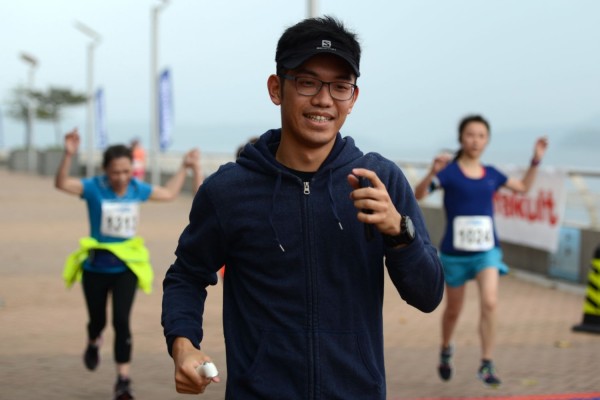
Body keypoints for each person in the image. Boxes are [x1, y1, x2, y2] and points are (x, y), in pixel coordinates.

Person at [161, 15, 444, 399]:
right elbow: (187, 275)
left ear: (353, 99)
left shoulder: (379, 181)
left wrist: (399, 232)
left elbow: (428, 296)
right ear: (276, 88)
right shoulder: (229, 190)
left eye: (340, 86)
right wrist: (183, 344)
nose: (324, 99)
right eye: (307, 82)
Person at [55, 128, 202, 400]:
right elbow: (62, 183)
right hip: (95, 269)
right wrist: (68, 154)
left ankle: (123, 380)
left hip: (126, 268)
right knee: (98, 321)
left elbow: (169, 193)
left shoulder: (137, 188)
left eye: (126, 171)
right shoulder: (94, 187)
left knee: (121, 321)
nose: (122, 177)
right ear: (106, 171)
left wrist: (185, 167)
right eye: (115, 172)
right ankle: (93, 340)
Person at [414, 115, 548, 387]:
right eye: (470, 135)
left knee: (490, 302)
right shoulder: (449, 173)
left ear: (487, 141)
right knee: (454, 309)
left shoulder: (492, 174)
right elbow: (419, 195)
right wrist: (431, 171)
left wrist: (535, 160)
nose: (475, 140)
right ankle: (446, 348)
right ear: (461, 138)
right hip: (455, 254)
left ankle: (486, 362)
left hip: (487, 251)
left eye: (481, 136)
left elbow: (523, 188)